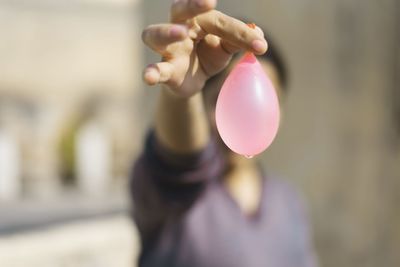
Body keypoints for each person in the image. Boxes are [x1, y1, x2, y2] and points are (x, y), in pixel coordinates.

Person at [130, 0, 317, 266]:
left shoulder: (289, 203)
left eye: (259, 102)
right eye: (224, 99)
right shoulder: (173, 192)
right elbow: (179, 162)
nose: (245, 116)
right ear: (204, 102)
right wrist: (182, 95)